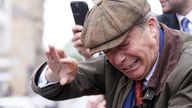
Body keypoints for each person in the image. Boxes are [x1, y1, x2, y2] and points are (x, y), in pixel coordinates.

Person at [31, 0, 192, 108]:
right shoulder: (112, 65)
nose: (118, 59)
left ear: (151, 26)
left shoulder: (187, 66)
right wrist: (54, 74)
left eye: (124, 44)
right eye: (107, 50)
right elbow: (57, 86)